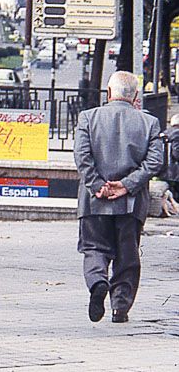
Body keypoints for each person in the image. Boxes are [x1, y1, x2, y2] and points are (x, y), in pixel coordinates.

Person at [74, 70, 164, 324]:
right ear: (135, 95)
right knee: (127, 255)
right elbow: (155, 161)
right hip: (131, 203)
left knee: (93, 248)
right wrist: (127, 185)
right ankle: (120, 307)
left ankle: (97, 282)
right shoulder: (149, 123)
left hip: (94, 201)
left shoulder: (88, 118)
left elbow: (82, 156)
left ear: (109, 93)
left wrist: (97, 185)